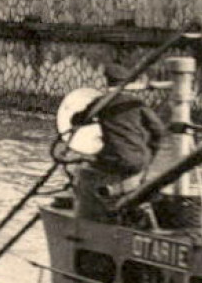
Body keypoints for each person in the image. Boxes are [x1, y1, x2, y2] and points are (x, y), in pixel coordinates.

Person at [70, 61, 167, 222]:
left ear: (107, 81)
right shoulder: (137, 104)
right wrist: (150, 154)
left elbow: (77, 120)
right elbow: (159, 130)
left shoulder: (102, 103)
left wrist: (96, 115)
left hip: (117, 160)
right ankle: (132, 207)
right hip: (140, 160)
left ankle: (98, 217)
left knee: (84, 172)